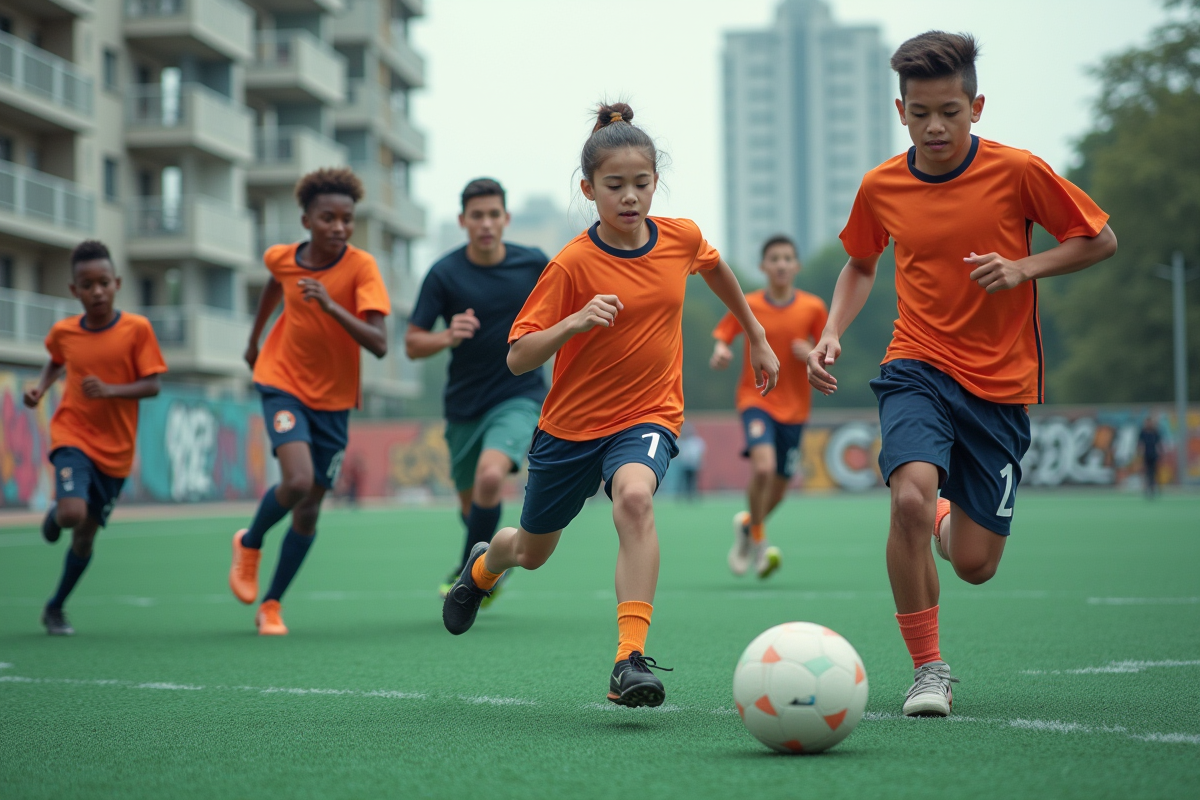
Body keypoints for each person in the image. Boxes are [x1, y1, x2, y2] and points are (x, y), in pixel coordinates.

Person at [808, 32, 1117, 717]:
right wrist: (831, 331)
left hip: (1000, 388)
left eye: (949, 111)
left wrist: (1024, 267)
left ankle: (944, 515)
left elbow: (1099, 239)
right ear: (901, 112)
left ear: (976, 107)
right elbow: (860, 263)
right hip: (915, 365)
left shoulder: (1018, 171)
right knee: (907, 501)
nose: (935, 127)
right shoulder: (881, 185)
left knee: (976, 564)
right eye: (920, 113)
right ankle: (929, 669)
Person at [441, 102, 779, 708]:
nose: (630, 197)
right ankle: (484, 567)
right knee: (532, 552)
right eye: (614, 185)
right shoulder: (572, 263)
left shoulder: (681, 238)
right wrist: (573, 321)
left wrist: (754, 334)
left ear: (656, 182)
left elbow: (717, 270)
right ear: (588, 189)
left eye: (641, 183)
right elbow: (517, 357)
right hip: (569, 429)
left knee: (635, 498)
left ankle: (629, 660)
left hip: (649, 414)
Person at [228, 167, 391, 636]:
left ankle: (272, 604)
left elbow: (379, 344)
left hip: (334, 402)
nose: (339, 227)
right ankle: (251, 542)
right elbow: (273, 285)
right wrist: (254, 340)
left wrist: (330, 306)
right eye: (328, 218)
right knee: (297, 481)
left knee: (310, 507)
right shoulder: (282, 258)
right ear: (306, 221)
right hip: (281, 382)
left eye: (347, 219)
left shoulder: (361, 268)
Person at [406, 178, 548, 601]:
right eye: (477, 216)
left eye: (493, 215)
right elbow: (412, 343)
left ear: (506, 218)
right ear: (462, 221)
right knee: (472, 507)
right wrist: (447, 335)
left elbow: (569, 302)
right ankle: (487, 562)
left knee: (490, 477)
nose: (486, 223)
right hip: (464, 405)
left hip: (519, 395)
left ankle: (472, 576)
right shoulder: (444, 273)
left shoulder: (533, 264)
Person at [23, 240, 167, 635]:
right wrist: (40, 389)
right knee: (73, 514)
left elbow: (153, 385)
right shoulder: (64, 332)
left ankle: (55, 607)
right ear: (74, 290)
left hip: (116, 452)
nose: (97, 292)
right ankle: (59, 513)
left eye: (104, 283)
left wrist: (111, 390)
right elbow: (55, 360)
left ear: (117, 283)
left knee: (84, 538)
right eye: (87, 285)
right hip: (72, 433)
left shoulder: (137, 329)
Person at [711, 234, 827, 579]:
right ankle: (760, 543)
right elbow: (723, 334)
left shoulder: (813, 308)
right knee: (763, 469)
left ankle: (748, 526)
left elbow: (828, 350)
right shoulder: (748, 304)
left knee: (778, 490)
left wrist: (812, 353)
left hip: (796, 409)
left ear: (796, 265)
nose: (781, 264)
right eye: (774, 258)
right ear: (763, 266)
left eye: (787, 258)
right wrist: (721, 350)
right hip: (756, 399)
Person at [675, 422, 706, 502]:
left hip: (693, 465)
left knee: (693, 482)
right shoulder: (682, 442)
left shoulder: (696, 441)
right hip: (684, 465)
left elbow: (700, 453)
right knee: (682, 482)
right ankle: (680, 496)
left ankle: (692, 496)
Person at [1138, 415, 1162, 498]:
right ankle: (1147, 488)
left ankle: (1154, 488)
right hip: (1146, 455)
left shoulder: (1155, 432)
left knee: (1154, 472)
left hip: (1154, 455)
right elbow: (1140, 444)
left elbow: (1159, 444)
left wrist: (1160, 453)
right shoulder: (1143, 432)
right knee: (1147, 472)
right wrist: (1140, 453)